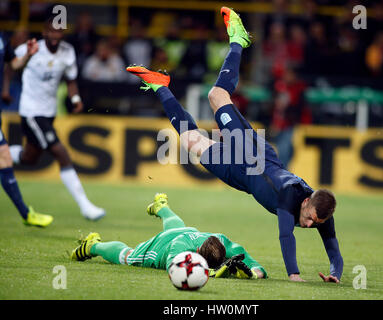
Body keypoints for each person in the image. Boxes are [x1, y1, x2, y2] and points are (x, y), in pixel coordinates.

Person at [126, 7, 343, 283]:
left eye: (314, 223)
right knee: (217, 94)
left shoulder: (320, 211)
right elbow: (286, 236)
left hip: (242, 176)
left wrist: (335, 273)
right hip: (253, 154)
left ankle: (160, 85)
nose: (309, 225)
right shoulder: (291, 196)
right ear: (306, 201)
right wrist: (294, 276)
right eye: (310, 218)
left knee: (191, 140)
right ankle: (239, 40)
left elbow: (334, 250)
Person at [8, 18, 105, 221]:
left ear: (63, 34)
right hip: (32, 112)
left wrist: (75, 98)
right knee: (61, 153)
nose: (54, 36)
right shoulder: (32, 47)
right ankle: (85, 206)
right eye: (51, 31)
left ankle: (3, 153)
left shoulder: (68, 52)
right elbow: (11, 65)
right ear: (44, 32)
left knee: (30, 157)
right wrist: (6, 88)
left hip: (49, 111)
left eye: (58, 32)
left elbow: (70, 79)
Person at [71, 193, 267, 279]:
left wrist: (253, 274)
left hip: (186, 231)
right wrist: (212, 272)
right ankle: (93, 245)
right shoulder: (179, 248)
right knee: (128, 256)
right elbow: (175, 268)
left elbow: (259, 268)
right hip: (160, 247)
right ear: (197, 252)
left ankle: (162, 207)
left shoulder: (224, 242)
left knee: (177, 227)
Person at [0, 31, 53, 227]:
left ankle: (26, 214)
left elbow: (13, 64)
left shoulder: (2, 39)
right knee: (4, 156)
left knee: (4, 158)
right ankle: (25, 214)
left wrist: (28, 55)